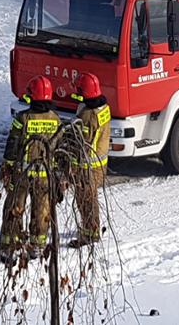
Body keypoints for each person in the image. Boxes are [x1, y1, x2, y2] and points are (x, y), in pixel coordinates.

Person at [0, 76, 61, 265]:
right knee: (42, 210)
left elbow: (12, 143)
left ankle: (9, 248)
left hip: (22, 174)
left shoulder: (22, 118)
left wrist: (6, 165)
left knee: (14, 209)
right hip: (44, 176)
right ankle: (38, 246)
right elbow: (59, 147)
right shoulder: (56, 119)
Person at [67, 73, 110, 248]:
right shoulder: (103, 107)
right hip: (100, 163)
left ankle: (90, 234)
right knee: (90, 198)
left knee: (85, 200)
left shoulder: (88, 115)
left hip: (87, 166)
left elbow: (81, 144)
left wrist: (71, 167)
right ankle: (90, 228)